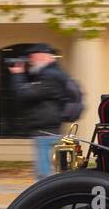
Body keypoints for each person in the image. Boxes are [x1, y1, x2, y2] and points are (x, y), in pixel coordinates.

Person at [8, 43, 76, 180]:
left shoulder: (49, 76)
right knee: (49, 172)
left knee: (44, 176)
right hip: (49, 128)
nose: (31, 62)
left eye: (32, 58)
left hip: (46, 130)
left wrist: (18, 75)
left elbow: (24, 93)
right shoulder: (55, 73)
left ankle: (48, 199)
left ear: (41, 56)